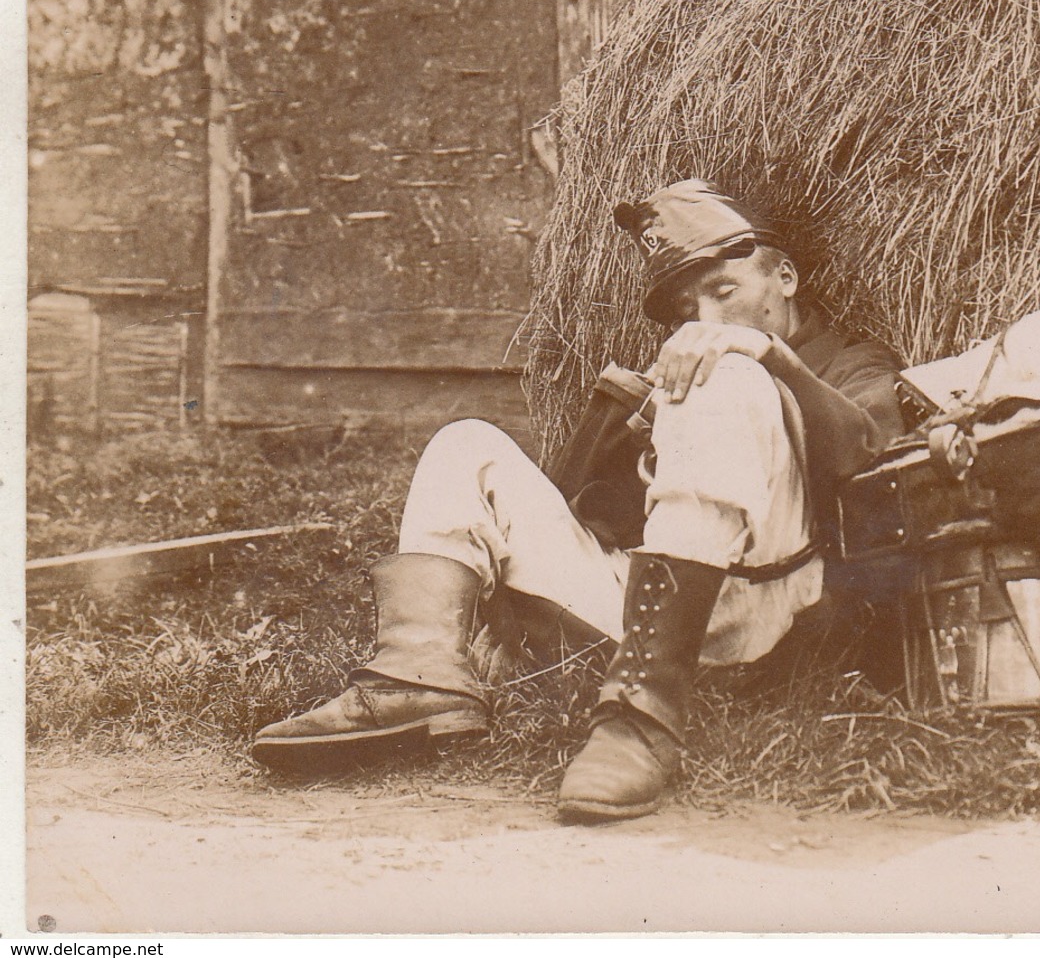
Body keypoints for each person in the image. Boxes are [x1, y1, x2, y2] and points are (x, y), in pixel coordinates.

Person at [250, 179, 907, 823]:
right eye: (688, 311)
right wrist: (633, 439)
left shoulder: (853, 361)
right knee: (465, 442)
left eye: (724, 291)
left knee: (729, 374)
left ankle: (639, 717)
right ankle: (417, 676)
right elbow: (606, 524)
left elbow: (876, 467)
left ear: (784, 278)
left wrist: (768, 359)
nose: (705, 321)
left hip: (771, 609)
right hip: (661, 615)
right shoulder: (689, 371)